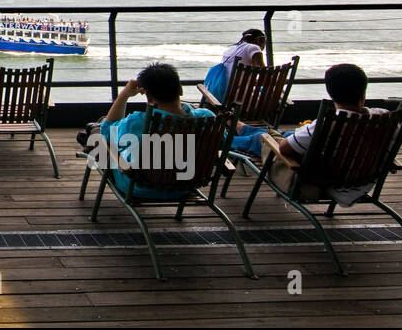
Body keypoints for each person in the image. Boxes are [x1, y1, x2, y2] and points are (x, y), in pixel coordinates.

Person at [241, 63, 385, 206]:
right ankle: (241, 128)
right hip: (360, 183)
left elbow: (283, 148)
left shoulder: (327, 125)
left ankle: (231, 135)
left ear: (330, 92)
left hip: (320, 184)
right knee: (279, 134)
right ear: (363, 91)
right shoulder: (385, 119)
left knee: (264, 138)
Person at [97, 62, 214, 200]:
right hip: (185, 186)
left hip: (141, 187)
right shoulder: (208, 118)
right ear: (180, 90)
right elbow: (220, 145)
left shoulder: (139, 122)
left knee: (100, 137)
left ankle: (89, 131)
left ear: (148, 97)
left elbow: (107, 131)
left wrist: (124, 95)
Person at [203, 29, 267, 99]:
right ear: (260, 40)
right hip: (237, 95)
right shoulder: (254, 48)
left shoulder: (230, 49)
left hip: (220, 91)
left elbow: (234, 76)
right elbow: (264, 73)